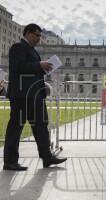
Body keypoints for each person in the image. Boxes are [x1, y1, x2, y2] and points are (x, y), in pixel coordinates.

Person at [3, 23, 67, 171]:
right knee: (16, 127)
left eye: (40, 36)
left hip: (35, 95)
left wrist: (45, 68)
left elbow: (32, 69)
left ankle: (47, 157)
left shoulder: (33, 51)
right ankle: (10, 161)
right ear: (28, 33)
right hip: (22, 95)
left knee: (41, 126)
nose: (39, 38)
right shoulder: (17, 47)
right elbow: (18, 68)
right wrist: (39, 65)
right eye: (37, 35)